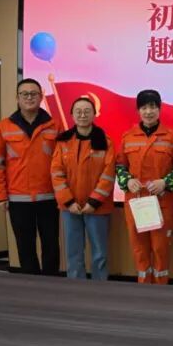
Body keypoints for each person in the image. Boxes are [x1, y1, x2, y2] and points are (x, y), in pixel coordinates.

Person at [0, 78, 61, 275]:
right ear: (17, 98)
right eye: (24, 94)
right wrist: (0, 195)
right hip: (18, 199)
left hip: (49, 197)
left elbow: (63, 163)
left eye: (33, 94)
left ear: (41, 96)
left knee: (51, 247)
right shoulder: (4, 127)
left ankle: (52, 285)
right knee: (25, 247)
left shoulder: (54, 125)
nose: (29, 97)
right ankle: (30, 287)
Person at [116, 89, 173, 284]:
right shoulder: (128, 136)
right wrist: (127, 180)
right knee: (139, 249)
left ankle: (161, 290)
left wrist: (165, 182)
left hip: (161, 203)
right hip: (136, 202)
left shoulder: (172, 137)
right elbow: (119, 166)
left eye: (153, 107)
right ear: (138, 110)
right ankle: (143, 289)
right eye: (144, 107)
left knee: (160, 249)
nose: (148, 112)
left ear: (159, 109)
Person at [51, 97, 116, 281]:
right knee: (73, 253)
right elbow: (56, 173)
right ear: (71, 115)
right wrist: (68, 202)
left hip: (98, 208)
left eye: (87, 111)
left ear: (94, 114)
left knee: (100, 254)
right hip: (70, 208)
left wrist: (94, 202)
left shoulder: (105, 142)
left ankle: (99, 288)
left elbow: (108, 175)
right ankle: (75, 289)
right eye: (78, 111)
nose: (82, 115)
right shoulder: (63, 142)